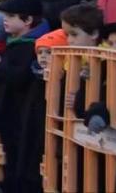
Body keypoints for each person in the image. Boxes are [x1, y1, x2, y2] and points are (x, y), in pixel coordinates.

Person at [0, 0, 49, 193]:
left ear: (28, 20)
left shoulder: (36, 46)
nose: (5, 19)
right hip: (11, 115)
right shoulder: (14, 42)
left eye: (11, 16)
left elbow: (21, 76)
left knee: (21, 168)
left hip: (24, 117)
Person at [18, 28, 68, 193]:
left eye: (49, 52)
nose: (44, 56)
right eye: (41, 52)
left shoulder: (66, 81)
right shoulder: (36, 78)